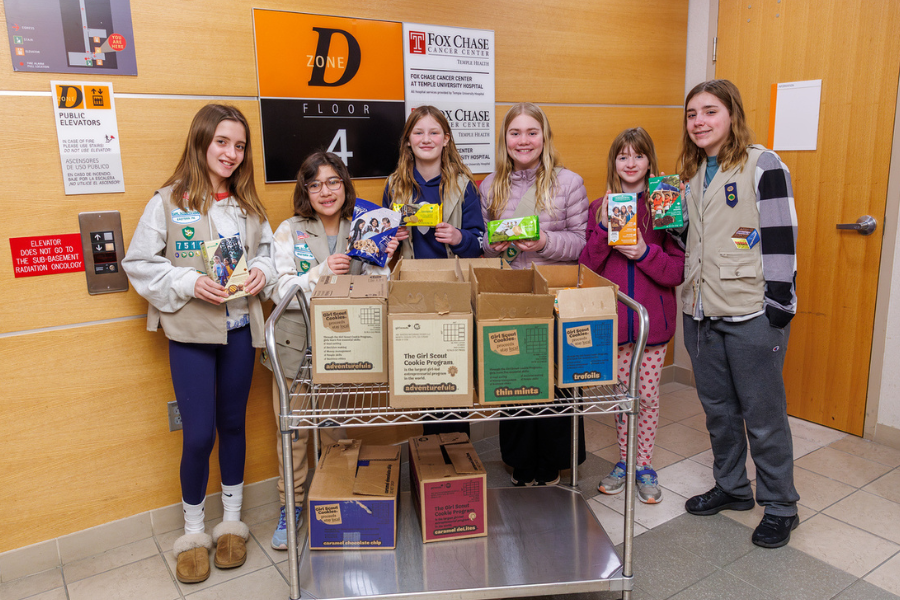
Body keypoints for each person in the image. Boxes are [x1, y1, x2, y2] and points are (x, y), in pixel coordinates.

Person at [122, 104, 275, 583]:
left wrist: (261, 272)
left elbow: (271, 254)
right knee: (199, 434)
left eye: (240, 145)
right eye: (222, 143)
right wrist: (189, 283)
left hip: (236, 333)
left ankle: (231, 524)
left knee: (233, 425)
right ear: (202, 142)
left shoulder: (248, 206)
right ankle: (192, 533)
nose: (231, 153)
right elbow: (140, 263)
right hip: (190, 333)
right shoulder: (168, 201)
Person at [677, 79, 799, 548]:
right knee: (719, 413)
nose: (700, 122)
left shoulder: (762, 164)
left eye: (710, 111)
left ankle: (781, 504)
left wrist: (777, 307)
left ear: (732, 114)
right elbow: (692, 241)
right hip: (700, 311)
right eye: (692, 114)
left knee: (763, 415)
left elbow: (781, 234)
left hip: (751, 312)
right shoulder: (688, 175)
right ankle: (731, 488)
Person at [268, 152, 397, 550]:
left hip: (345, 347)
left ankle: (333, 497)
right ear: (305, 190)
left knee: (334, 430)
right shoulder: (289, 230)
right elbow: (278, 290)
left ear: (345, 185)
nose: (326, 191)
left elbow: (378, 287)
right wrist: (325, 272)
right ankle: (291, 507)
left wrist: (383, 259)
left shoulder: (363, 225)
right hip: (295, 347)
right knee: (292, 434)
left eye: (333, 182)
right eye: (316, 184)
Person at [480, 102, 588, 486]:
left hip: (556, 294)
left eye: (531, 132)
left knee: (557, 379)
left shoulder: (568, 183)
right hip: (511, 294)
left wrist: (543, 240)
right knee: (514, 376)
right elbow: (486, 243)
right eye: (515, 133)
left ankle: (556, 461)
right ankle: (521, 461)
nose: (523, 140)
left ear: (544, 137)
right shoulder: (490, 185)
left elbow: (581, 244)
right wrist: (490, 245)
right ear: (504, 139)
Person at [579, 127, 685, 504]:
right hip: (615, 322)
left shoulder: (665, 204)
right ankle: (625, 461)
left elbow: (677, 271)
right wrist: (604, 227)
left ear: (649, 161)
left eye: (637, 156)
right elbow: (586, 268)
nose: (630, 162)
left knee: (647, 396)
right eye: (623, 156)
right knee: (623, 395)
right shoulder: (598, 207)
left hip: (653, 325)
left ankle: (643, 465)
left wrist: (642, 252)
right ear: (614, 163)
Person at [383, 105, 485, 435]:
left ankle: (458, 457)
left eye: (434, 132)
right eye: (418, 132)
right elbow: (383, 248)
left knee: (454, 379)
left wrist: (459, 237)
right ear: (408, 141)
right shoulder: (394, 185)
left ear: (446, 140)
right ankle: (432, 462)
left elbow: (480, 241)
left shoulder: (464, 185)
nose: (426, 138)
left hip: (454, 293)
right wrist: (392, 239)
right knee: (425, 376)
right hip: (414, 293)